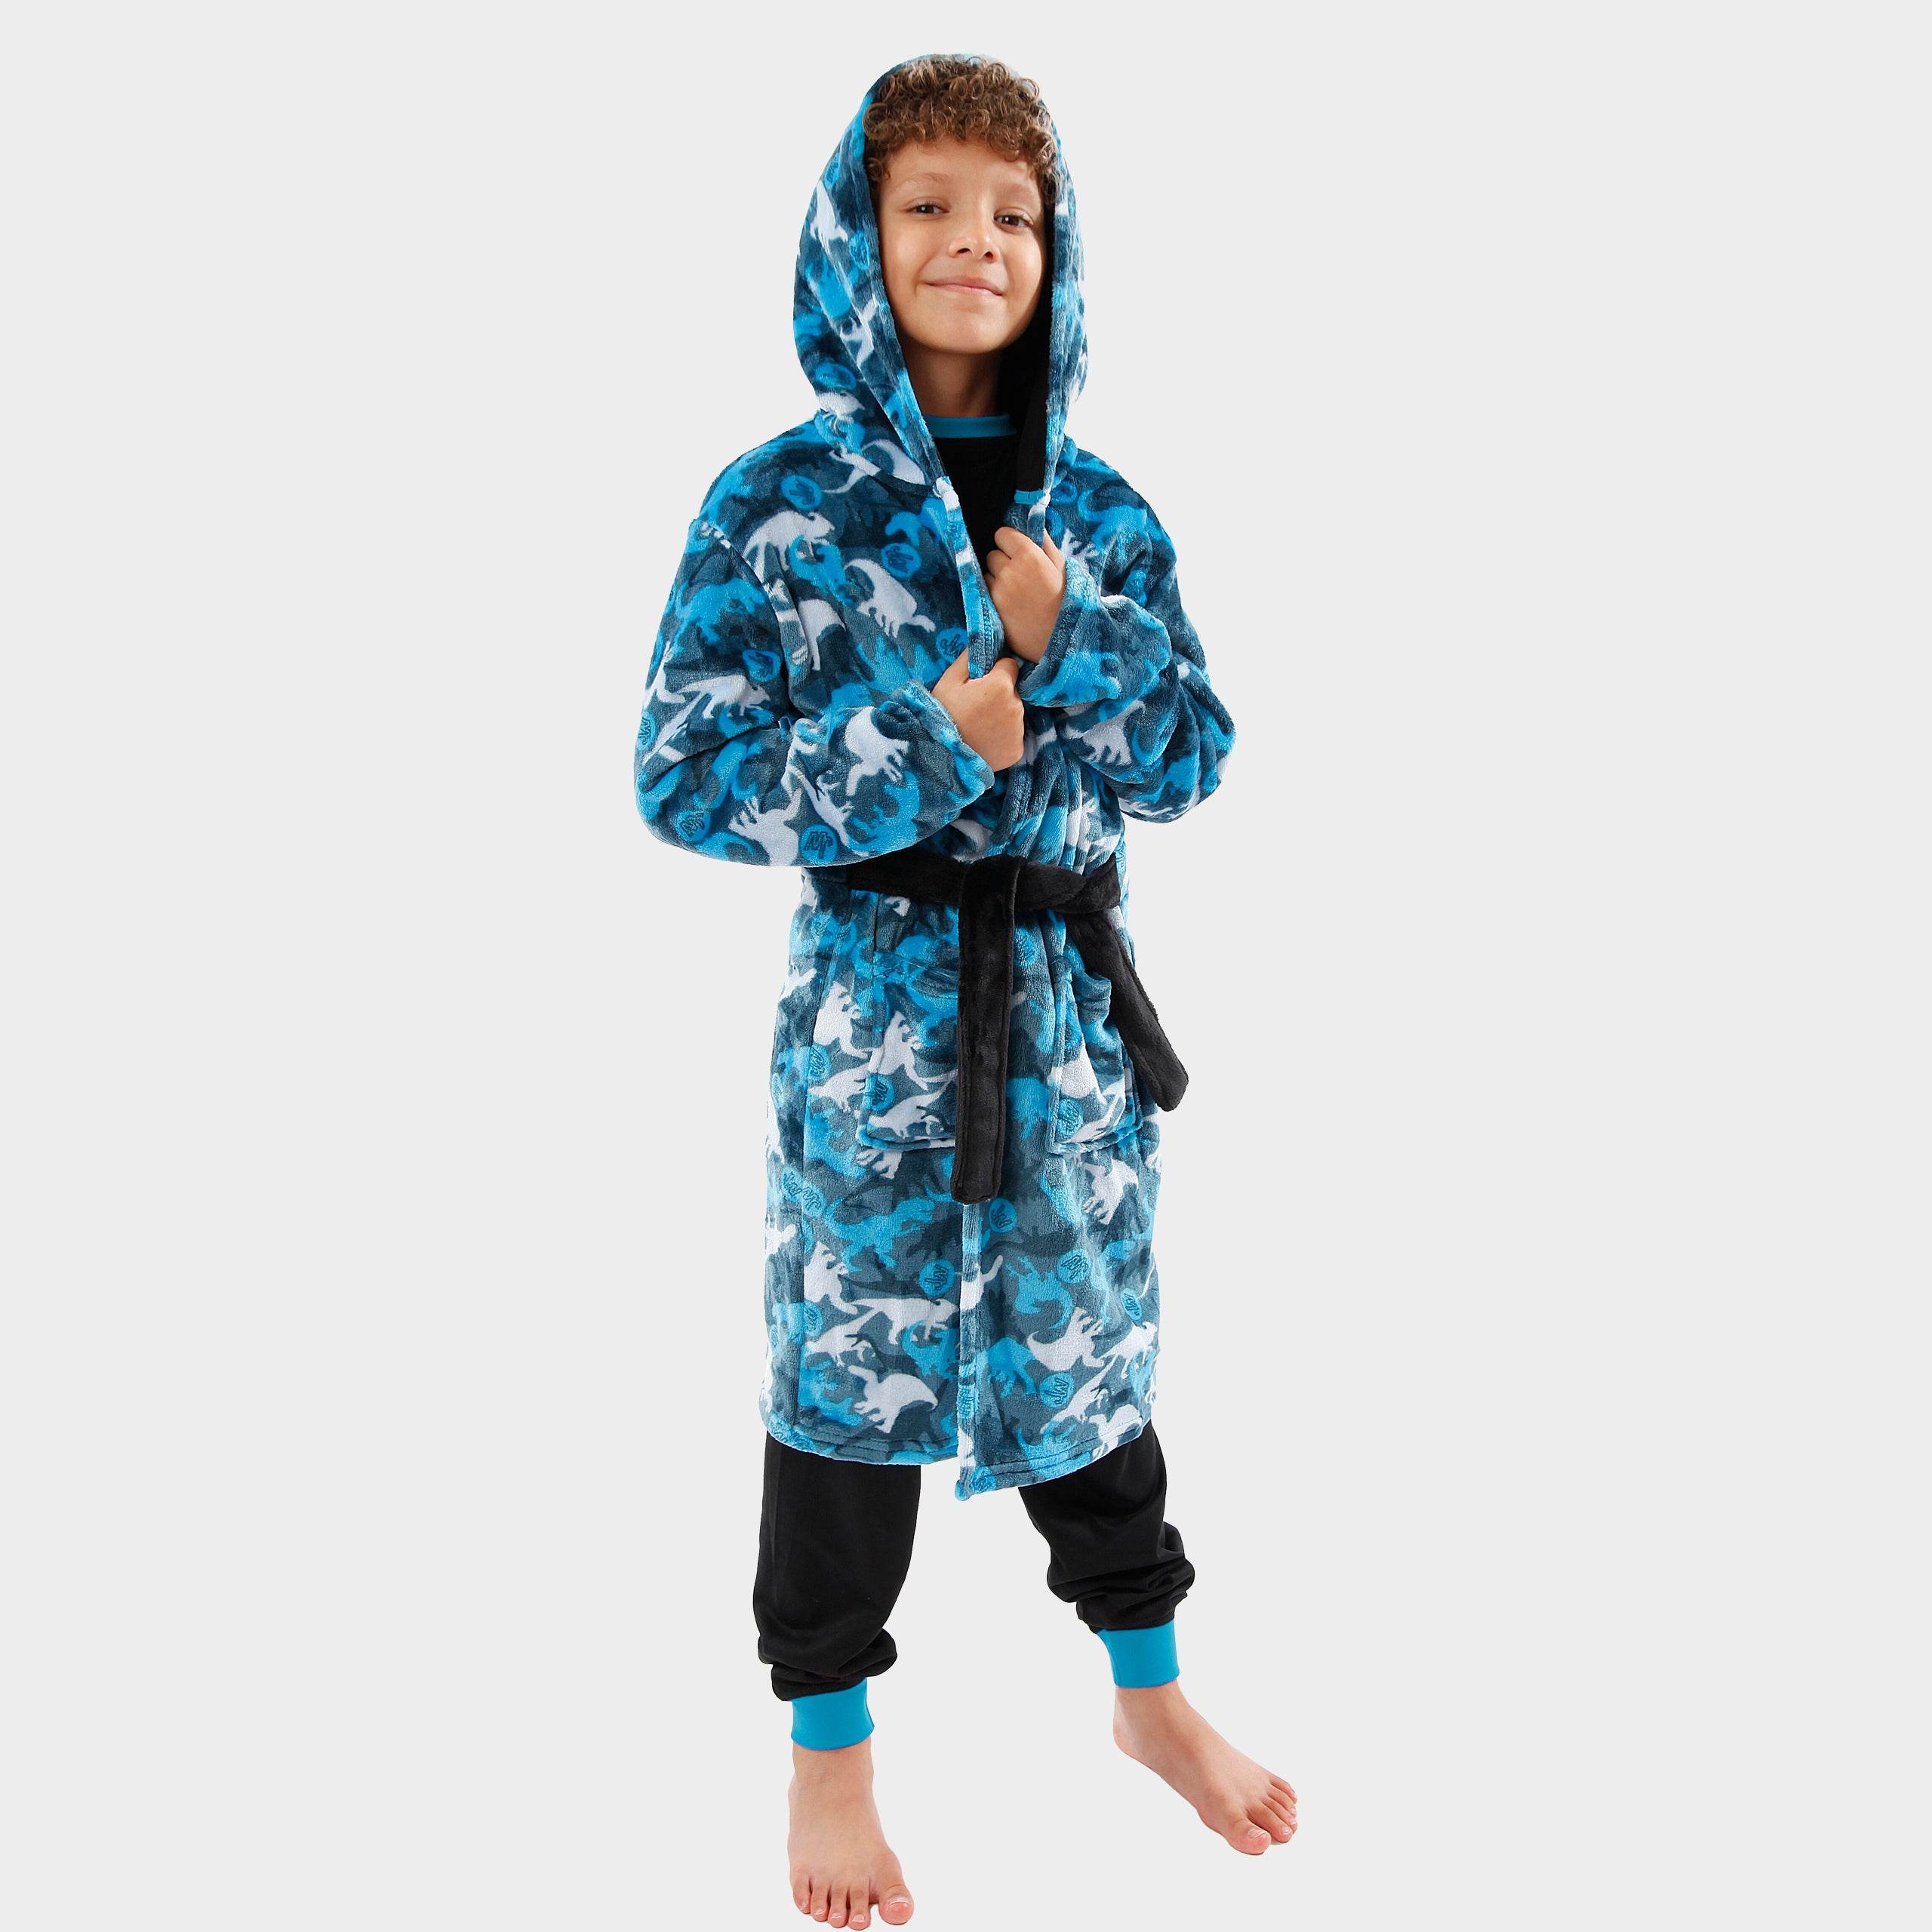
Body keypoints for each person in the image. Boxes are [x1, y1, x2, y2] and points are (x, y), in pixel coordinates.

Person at [634, 51, 1294, 1927]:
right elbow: (682, 777)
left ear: (1053, 254)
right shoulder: (773, 506)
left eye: (1012, 214)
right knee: (843, 1378)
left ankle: (1147, 1693)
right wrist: (923, 747)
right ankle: (828, 1748)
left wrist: (1070, 644)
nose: (972, 241)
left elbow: (1189, 758)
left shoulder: (1101, 513)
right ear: (855, 241)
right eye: (925, 204)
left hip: (1063, 1012)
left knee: (1088, 1350)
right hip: (874, 1020)